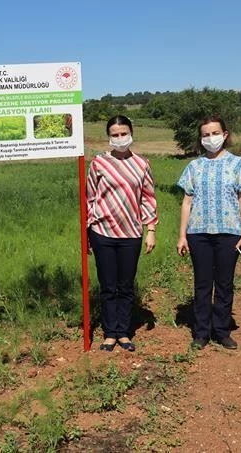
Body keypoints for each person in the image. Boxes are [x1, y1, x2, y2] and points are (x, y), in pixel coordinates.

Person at [176, 115, 241, 350]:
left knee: (224, 283)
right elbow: (186, 202)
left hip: (229, 232)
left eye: (214, 133)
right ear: (200, 139)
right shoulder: (194, 166)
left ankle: (222, 331)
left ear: (225, 134)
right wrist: (182, 235)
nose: (210, 138)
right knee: (202, 284)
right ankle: (201, 333)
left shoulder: (238, 164)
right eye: (205, 135)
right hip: (198, 233)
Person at [87, 115, 158, 352]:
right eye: (115, 135)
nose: (120, 138)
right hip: (102, 232)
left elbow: (148, 198)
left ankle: (124, 332)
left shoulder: (142, 164)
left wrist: (151, 230)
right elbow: (89, 198)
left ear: (131, 133)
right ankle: (110, 333)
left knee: (126, 286)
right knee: (108, 286)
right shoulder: (98, 163)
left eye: (123, 133)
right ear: (109, 137)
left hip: (130, 233)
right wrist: (87, 231)